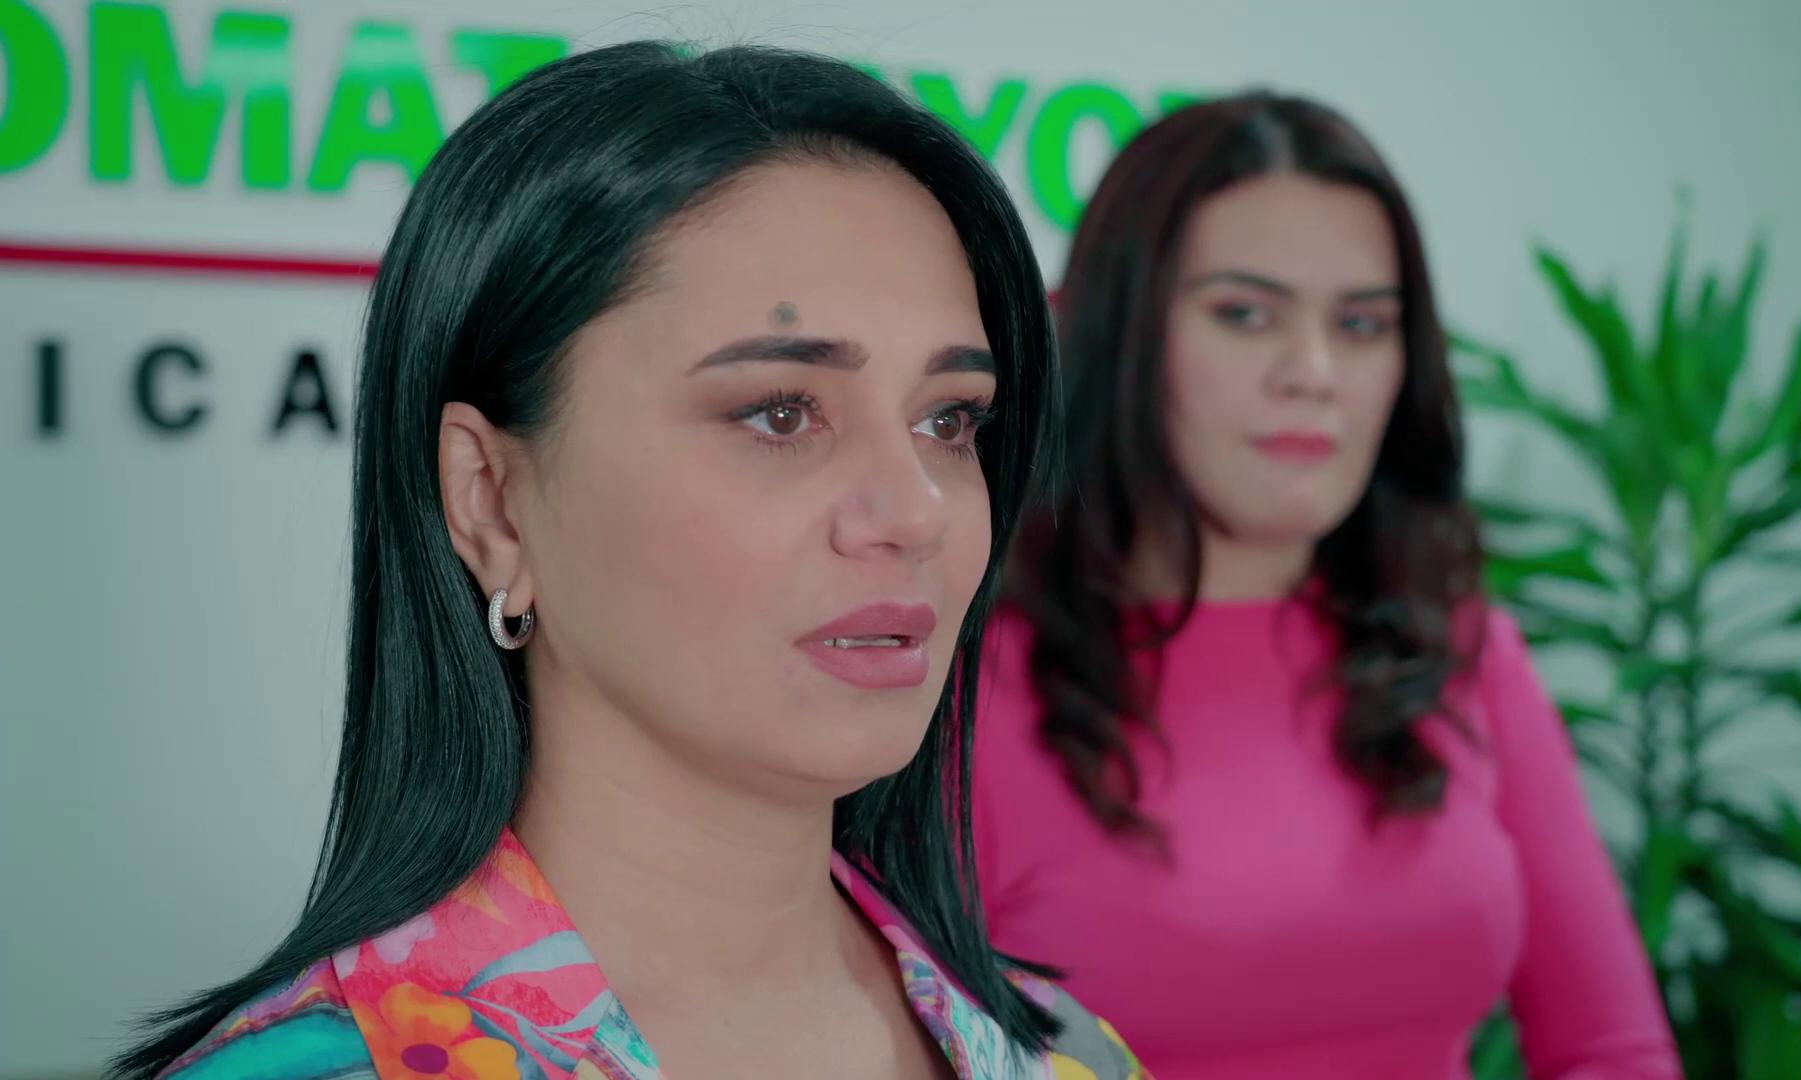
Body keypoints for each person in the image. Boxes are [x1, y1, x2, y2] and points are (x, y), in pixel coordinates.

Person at [113, 41, 1142, 1080]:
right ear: (491, 501)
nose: (917, 511)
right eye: (781, 414)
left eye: (949, 421)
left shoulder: (1069, 1057)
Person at [971, 92, 1680, 1079]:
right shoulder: (965, 681)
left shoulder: (1463, 647)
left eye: (1361, 323)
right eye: (1245, 313)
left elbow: (1614, 1051)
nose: (1313, 372)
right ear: (1119, 332)